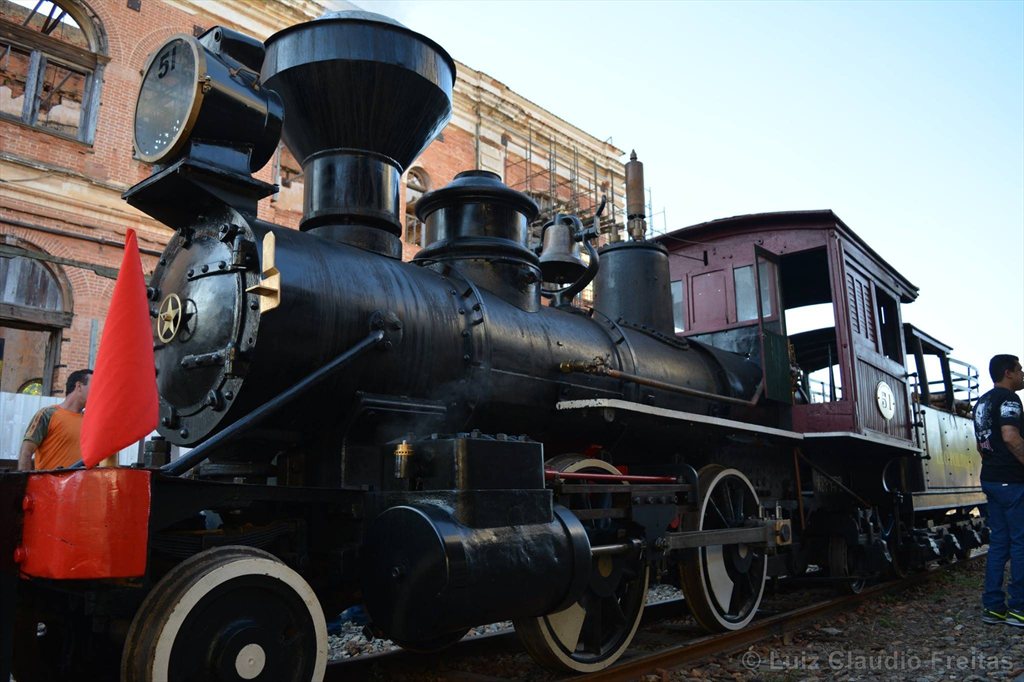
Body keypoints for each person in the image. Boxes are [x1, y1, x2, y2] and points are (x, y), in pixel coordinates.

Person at [975, 354, 1024, 627]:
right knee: (1021, 544)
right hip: (1012, 482)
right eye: (1020, 369)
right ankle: (1019, 609)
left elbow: (981, 445)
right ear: (1008, 373)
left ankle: (993, 608)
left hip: (992, 479)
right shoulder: (1009, 399)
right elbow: (1010, 436)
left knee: (999, 545)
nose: (1023, 373)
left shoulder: (982, 402)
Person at [17, 369, 92, 471]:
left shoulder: (89, 421)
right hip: (48, 485)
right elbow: (26, 452)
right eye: (94, 386)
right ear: (78, 386)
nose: (97, 391)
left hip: (79, 485)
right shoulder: (47, 415)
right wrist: (24, 484)